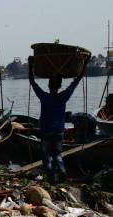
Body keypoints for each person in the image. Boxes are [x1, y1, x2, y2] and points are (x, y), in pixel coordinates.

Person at [29, 56, 86, 184]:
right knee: (57, 155)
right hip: (59, 131)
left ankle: (51, 179)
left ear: (49, 85)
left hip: (46, 131)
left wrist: (30, 65)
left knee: (46, 156)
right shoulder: (63, 96)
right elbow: (76, 81)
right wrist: (85, 63)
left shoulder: (44, 96)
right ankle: (62, 170)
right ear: (60, 85)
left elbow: (32, 82)